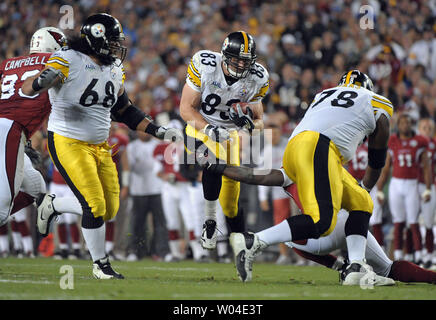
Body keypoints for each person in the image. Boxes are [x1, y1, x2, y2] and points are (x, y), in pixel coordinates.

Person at [22, 13, 182, 279]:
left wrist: (160, 131)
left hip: (100, 145)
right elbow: (31, 88)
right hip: (67, 140)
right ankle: (100, 265)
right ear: (97, 40)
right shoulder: (69, 58)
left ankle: (54, 204)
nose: (118, 46)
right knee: (94, 206)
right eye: (113, 41)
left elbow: (124, 111)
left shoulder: (114, 69)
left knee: (110, 209)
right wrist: (41, 81)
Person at [207, 70, 394, 285]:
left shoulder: (323, 96)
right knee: (322, 221)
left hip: (297, 147)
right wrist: (368, 185)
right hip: (320, 147)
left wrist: (219, 167)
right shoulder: (376, 101)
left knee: (362, 201)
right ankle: (254, 241)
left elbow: (258, 176)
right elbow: (377, 159)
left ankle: (356, 267)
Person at [179, 31, 269, 250]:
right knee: (212, 160)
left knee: (230, 204)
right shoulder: (205, 64)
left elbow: (259, 123)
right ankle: (210, 221)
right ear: (224, 56)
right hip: (199, 127)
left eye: (245, 61)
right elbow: (186, 109)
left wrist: (250, 126)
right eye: (236, 59)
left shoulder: (258, 77)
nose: (240, 64)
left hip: (229, 137)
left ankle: (241, 245)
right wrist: (209, 128)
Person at [0, 26, 84, 229]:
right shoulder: (58, 62)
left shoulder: (8, 63)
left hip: (11, 130)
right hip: (8, 129)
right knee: (1, 212)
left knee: (35, 187)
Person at [376, 114, 432, 264]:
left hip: (412, 184)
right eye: (402, 123)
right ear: (398, 125)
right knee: (398, 221)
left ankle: (419, 254)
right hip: (396, 183)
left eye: (408, 123)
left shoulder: (420, 142)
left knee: (413, 221)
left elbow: (426, 167)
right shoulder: (393, 141)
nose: (405, 125)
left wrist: (427, 188)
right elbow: (386, 167)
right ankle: (399, 255)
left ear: (411, 125)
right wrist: (380, 188)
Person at [125, 131, 169, 261]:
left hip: (158, 189)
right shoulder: (132, 147)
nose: (145, 133)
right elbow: (129, 167)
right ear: (137, 132)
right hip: (138, 189)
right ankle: (135, 251)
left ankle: (161, 252)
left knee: (160, 223)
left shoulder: (159, 145)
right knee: (137, 223)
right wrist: (126, 185)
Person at [347, 141, 385, 247]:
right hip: (356, 183)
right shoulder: (354, 142)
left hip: (368, 183)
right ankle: (352, 249)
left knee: (375, 218)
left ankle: (379, 248)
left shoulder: (353, 142)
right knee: (354, 218)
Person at [417, 118, 436, 269]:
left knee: (429, 222)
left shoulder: (433, 145)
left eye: (429, 128)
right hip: (414, 184)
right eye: (424, 128)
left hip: (430, 185)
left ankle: (429, 255)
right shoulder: (414, 142)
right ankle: (415, 254)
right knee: (411, 221)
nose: (427, 131)